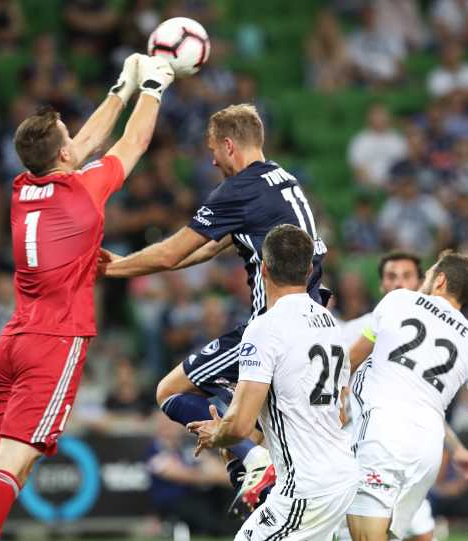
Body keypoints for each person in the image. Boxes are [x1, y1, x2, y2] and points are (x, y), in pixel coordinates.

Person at [0, 54, 174, 541]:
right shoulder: (83, 193)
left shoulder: (22, 186)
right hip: (55, 340)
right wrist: (154, 86)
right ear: (64, 155)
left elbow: (82, 142)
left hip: (15, 337)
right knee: (11, 470)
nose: (77, 142)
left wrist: (120, 88)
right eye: (69, 139)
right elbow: (134, 141)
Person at [99, 104, 329, 510]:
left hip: (271, 328)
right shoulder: (281, 180)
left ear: (228, 145)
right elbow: (209, 247)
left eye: (212, 149)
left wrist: (115, 269)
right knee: (258, 436)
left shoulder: (240, 190)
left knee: (169, 391)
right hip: (313, 322)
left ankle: (256, 461)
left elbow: (171, 254)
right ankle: (255, 461)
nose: (210, 159)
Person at [188, 224, 358, 541]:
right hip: (342, 472)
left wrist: (217, 435)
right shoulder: (330, 323)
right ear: (309, 270)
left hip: (306, 485)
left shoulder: (265, 328)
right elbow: (341, 412)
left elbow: (240, 426)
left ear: (263, 268)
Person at [347, 250, 468, 541]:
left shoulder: (397, 300)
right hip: (427, 452)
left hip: (382, 434)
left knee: (364, 536)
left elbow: (351, 360)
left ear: (440, 279)